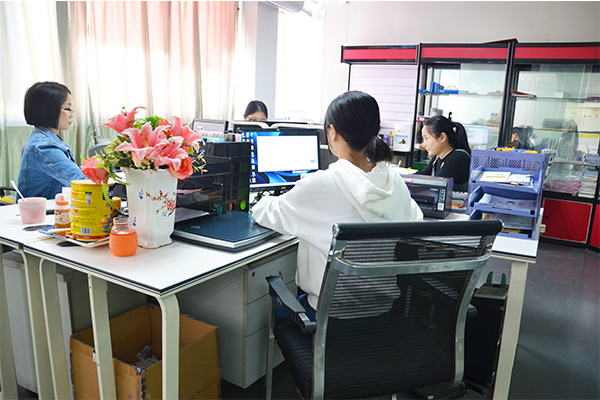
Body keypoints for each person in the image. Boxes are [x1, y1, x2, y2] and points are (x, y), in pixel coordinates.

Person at [251, 91, 423, 321]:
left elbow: (265, 212)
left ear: (332, 132)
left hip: (328, 317)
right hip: (382, 317)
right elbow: (415, 220)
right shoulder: (395, 182)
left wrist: (262, 201)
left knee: (277, 315)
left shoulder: (321, 184)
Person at [18, 81, 86, 199]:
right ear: (49, 110)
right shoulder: (44, 147)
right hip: (42, 210)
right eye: (68, 108)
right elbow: (80, 181)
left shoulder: (44, 138)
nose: (72, 115)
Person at [416, 115, 471, 192]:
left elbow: (436, 185)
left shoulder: (458, 158)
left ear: (442, 137)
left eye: (426, 138)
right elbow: (424, 174)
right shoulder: (437, 157)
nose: (424, 144)